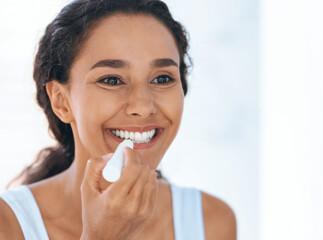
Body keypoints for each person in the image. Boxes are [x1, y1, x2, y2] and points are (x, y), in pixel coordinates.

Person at [0, 0, 237, 239]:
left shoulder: (211, 220)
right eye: (112, 80)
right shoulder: (7, 224)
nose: (143, 107)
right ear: (62, 101)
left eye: (162, 79)